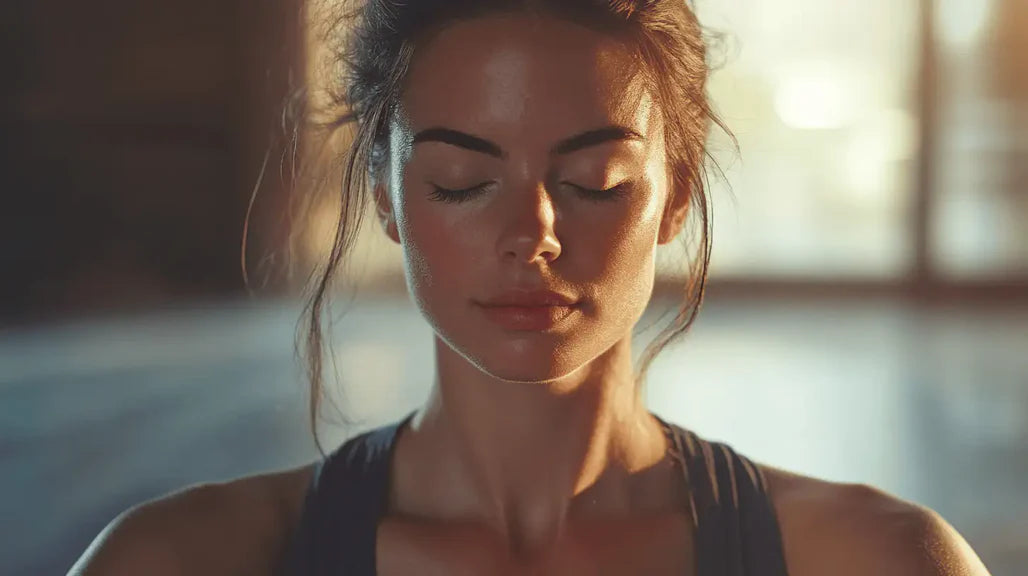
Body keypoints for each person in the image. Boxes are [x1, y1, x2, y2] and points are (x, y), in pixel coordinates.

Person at [69, 1, 992, 574]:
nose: (533, 234)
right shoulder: (183, 561)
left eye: (594, 183)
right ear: (388, 199)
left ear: (677, 197)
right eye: (461, 184)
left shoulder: (877, 561)